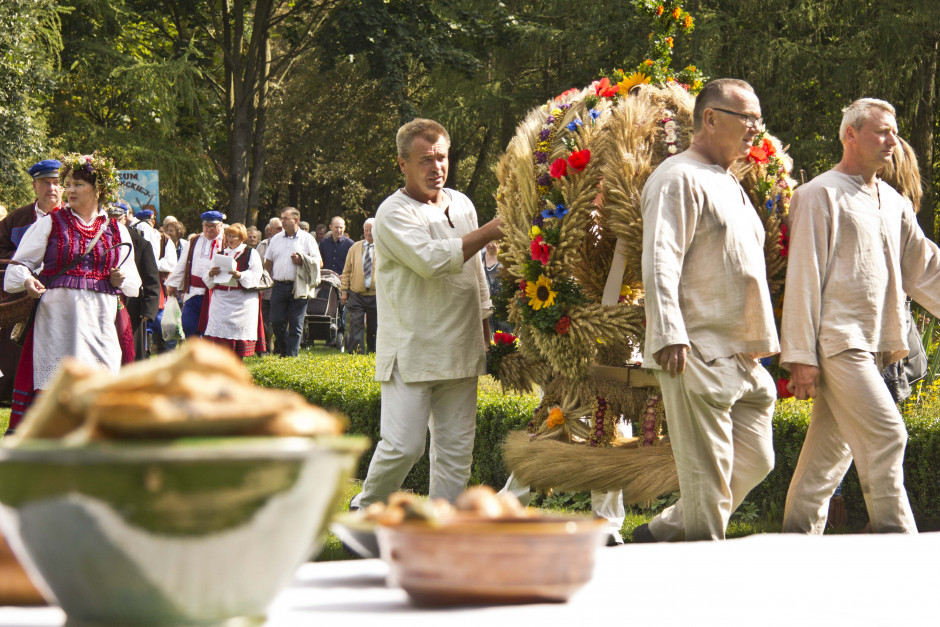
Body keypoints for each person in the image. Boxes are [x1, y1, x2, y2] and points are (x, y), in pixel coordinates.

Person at [780, 99, 940, 535]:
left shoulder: (892, 201)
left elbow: (924, 268)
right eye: (882, 132)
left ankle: (792, 545)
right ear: (850, 135)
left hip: (874, 345)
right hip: (838, 342)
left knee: (824, 463)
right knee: (889, 436)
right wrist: (801, 355)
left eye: (894, 132)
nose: (893, 141)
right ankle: (898, 544)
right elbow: (804, 277)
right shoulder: (817, 194)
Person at [633, 79, 779, 542]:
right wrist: (670, 332)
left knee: (757, 459)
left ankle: (663, 532)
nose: (756, 128)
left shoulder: (727, 180)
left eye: (758, 118)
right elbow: (659, 258)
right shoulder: (676, 177)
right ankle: (702, 578)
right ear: (710, 118)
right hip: (696, 348)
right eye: (747, 118)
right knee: (708, 483)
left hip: (741, 354)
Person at [350, 118, 501, 509]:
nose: (437, 168)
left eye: (442, 158)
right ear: (402, 163)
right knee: (404, 446)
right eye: (425, 160)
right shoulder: (392, 213)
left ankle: (443, 526)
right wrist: (489, 232)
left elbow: (476, 275)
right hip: (413, 349)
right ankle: (368, 507)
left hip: (463, 346)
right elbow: (431, 261)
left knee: (456, 452)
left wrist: (486, 327)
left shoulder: (462, 203)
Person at [3, 153, 141, 427]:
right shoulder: (50, 223)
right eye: (68, 184)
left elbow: (134, 284)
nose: (69, 190)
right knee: (57, 383)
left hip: (100, 321)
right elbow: (16, 270)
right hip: (57, 322)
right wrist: (28, 281)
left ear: (97, 189)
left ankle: (95, 443)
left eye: (78, 184)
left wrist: (119, 277)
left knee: (99, 382)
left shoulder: (116, 230)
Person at [0, 159, 63, 404]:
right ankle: (14, 393)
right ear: (35, 186)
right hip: (21, 297)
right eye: (45, 182)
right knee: (17, 346)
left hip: (59, 294)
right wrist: (22, 267)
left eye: (56, 182)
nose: (51, 188)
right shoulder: (17, 218)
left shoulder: (72, 217)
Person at [264, 207, 321, 357]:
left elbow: (319, 262)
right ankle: (285, 351)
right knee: (275, 321)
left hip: (299, 285)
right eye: (281, 218)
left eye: (285, 218)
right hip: (279, 285)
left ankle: (291, 356)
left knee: (296, 324)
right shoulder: (275, 239)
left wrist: (302, 259)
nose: (282, 221)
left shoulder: (307, 239)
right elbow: (268, 263)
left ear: (296, 220)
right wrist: (264, 280)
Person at [203, 223, 266, 357]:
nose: (231, 239)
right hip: (221, 300)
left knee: (237, 340)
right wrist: (211, 273)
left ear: (242, 238)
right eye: (229, 236)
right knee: (220, 343)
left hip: (242, 301)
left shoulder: (250, 253)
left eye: (235, 237)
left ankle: (237, 364)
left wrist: (240, 275)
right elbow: (207, 276)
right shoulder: (220, 254)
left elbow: (256, 274)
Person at [107, 204, 161, 360]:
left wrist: (148, 311)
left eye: (118, 219)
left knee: (132, 352)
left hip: (132, 305)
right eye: (110, 220)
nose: (114, 223)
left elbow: (151, 278)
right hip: (104, 301)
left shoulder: (140, 242)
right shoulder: (99, 238)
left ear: (125, 219)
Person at [165, 211, 225, 339]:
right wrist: (172, 284)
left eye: (212, 226)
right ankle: (196, 353)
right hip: (193, 291)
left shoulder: (225, 240)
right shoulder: (194, 240)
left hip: (216, 293)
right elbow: (182, 264)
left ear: (221, 225)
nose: (208, 229)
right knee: (188, 325)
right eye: (206, 226)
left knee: (211, 329)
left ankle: (208, 355)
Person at [341, 217, 378, 354]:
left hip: (376, 294)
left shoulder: (384, 248)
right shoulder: (355, 248)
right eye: (366, 230)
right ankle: (356, 353)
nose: (368, 233)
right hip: (356, 293)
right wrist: (344, 291)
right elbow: (347, 271)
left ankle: (373, 351)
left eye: (372, 230)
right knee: (356, 324)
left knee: (374, 326)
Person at [257, 218, 283, 354]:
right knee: (265, 320)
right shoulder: (262, 245)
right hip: (265, 289)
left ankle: (280, 348)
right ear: (269, 231)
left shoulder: (286, 243)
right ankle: (265, 348)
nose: (281, 230)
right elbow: (257, 268)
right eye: (278, 228)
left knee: (280, 320)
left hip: (281, 288)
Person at [481, 240, 512, 333]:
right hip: (486, 308)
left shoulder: (505, 259)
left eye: (494, 242)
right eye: (488, 241)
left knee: (506, 339)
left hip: (503, 310)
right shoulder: (479, 259)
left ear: (499, 242)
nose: (490, 244)